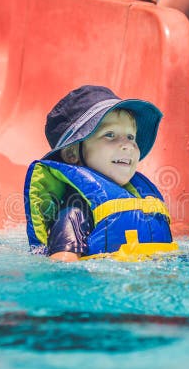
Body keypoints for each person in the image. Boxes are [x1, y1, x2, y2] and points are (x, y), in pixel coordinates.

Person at [24, 85, 178, 262]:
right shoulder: (75, 210)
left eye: (131, 137)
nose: (127, 145)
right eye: (110, 134)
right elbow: (63, 269)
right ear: (72, 153)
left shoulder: (140, 198)